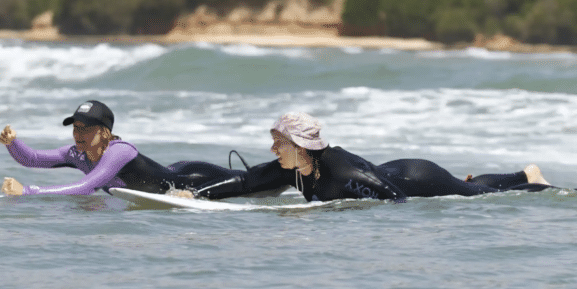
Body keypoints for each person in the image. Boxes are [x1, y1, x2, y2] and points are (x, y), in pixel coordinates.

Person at [192, 112, 556, 203]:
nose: (273, 151)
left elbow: (395, 199)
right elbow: (245, 181)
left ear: (301, 147)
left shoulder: (343, 171)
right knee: (469, 186)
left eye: (279, 143)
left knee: (479, 198)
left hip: (416, 179)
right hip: (397, 168)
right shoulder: (294, 170)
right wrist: (193, 196)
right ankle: (525, 172)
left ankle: (536, 185)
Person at [0, 99, 244, 197]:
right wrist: (13, 143)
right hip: (172, 172)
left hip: (192, 178)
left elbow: (87, 186)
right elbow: (33, 159)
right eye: (75, 128)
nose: (77, 135)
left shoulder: (119, 152)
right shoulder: (77, 154)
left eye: (85, 129)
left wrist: (28, 192)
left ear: (104, 132)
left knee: (248, 183)